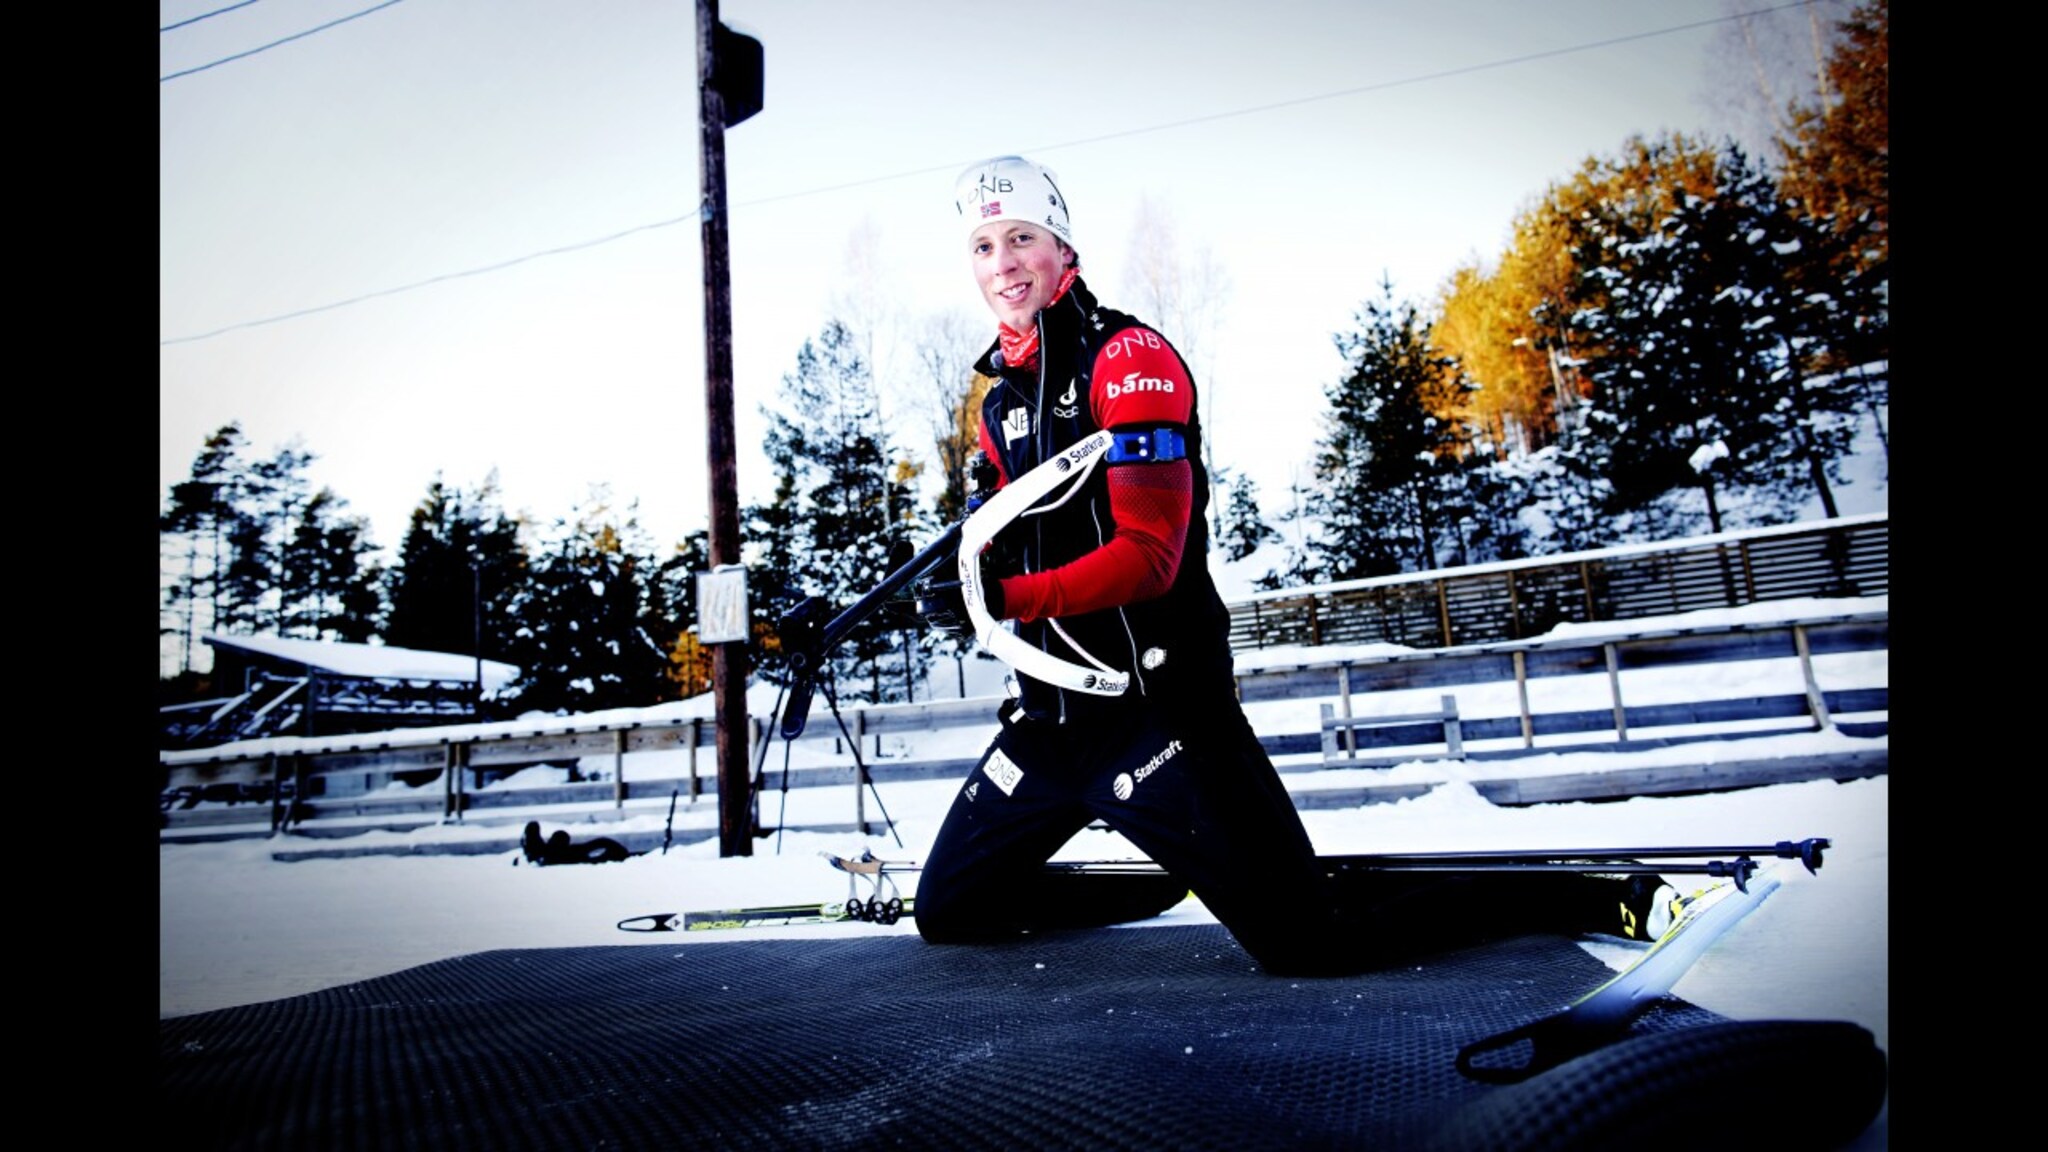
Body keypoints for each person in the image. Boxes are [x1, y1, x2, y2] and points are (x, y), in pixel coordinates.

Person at [911, 155, 1673, 976]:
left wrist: (1009, 598)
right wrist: (952, 585)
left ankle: (1588, 895)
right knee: (952, 911)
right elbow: (995, 538)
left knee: (1313, 942)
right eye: (983, 246)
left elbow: (1151, 556)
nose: (1003, 263)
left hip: (1159, 710)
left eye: (1021, 237)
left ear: (1063, 248)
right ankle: (1182, 876)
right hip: (1053, 724)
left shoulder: (1131, 357)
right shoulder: (1000, 404)